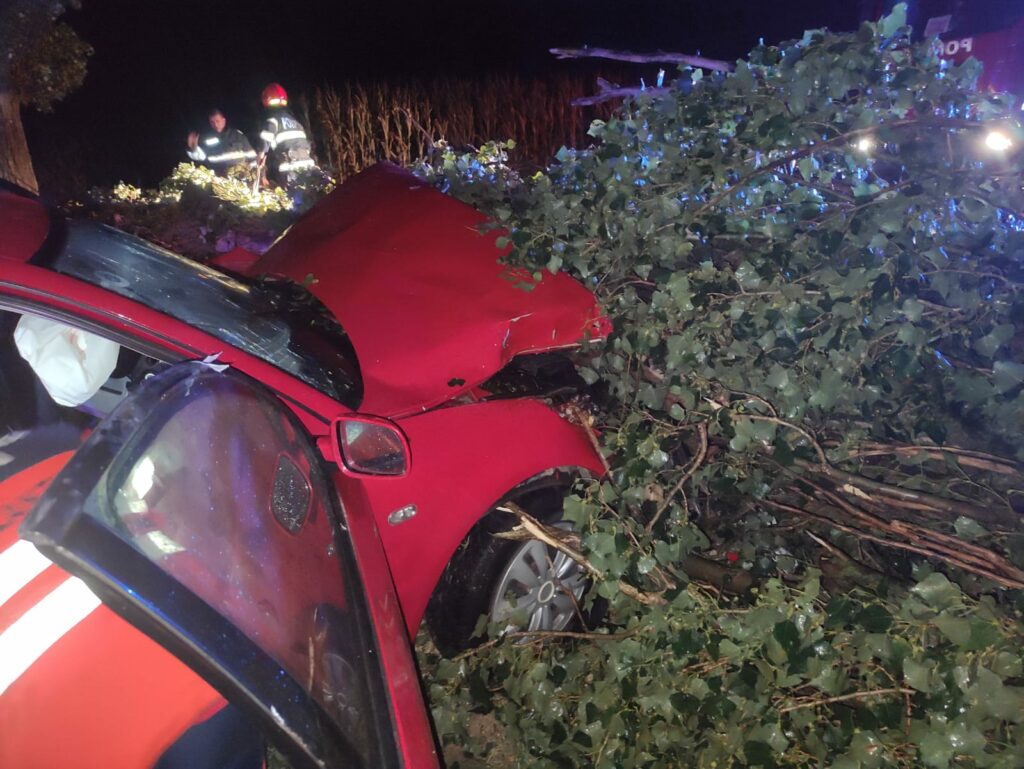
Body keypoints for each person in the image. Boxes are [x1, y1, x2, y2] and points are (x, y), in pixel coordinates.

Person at [256, 83, 319, 191]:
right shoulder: (296, 122)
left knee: (293, 198)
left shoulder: (272, 121)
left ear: (266, 100)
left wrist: (261, 177)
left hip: (290, 168)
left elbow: (262, 152)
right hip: (309, 166)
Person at [186, 108, 256, 176]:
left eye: (217, 121)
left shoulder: (237, 135)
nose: (215, 125)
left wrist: (250, 168)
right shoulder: (206, 138)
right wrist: (193, 149)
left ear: (223, 121)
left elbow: (252, 155)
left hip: (239, 176)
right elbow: (200, 158)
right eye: (212, 122)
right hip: (217, 178)